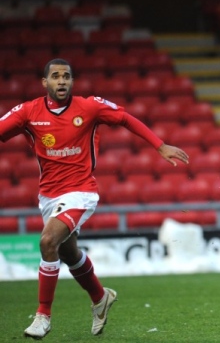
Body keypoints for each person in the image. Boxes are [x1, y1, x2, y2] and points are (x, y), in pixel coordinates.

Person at [0, 59, 189, 339]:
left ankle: (43, 315)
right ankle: (100, 298)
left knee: (47, 241)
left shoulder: (89, 107)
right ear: (45, 83)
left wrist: (159, 146)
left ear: (72, 82)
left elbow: (125, 117)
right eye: (55, 76)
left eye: (66, 76)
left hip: (81, 190)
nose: (62, 81)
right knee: (67, 252)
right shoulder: (29, 112)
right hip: (49, 195)